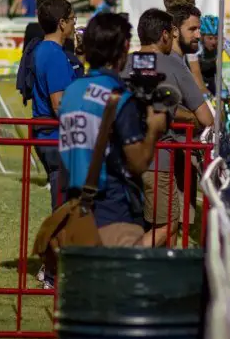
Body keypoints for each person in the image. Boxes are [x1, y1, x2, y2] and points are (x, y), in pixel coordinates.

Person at [57, 13, 168, 252]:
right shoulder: (117, 96)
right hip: (114, 210)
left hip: (74, 209)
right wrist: (154, 129)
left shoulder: (71, 92)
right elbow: (138, 163)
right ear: (125, 47)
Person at [123, 8, 213, 246]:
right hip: (157, 159)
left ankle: (160, 277)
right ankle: (120, 267)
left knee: (141, 224)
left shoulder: (125, 63)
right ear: (165, 35)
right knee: (167, 225)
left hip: (122, 157)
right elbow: (205, 117)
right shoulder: (171, 64)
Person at [29, 0, 84, 209]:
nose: (74, 24)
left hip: (47, 135)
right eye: (72, 19)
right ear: (62, 23)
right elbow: (59, 104)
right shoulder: (54, 55)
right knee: (64, 208)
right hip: (56, 138)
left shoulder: (42, 50)